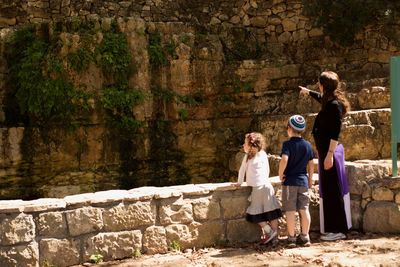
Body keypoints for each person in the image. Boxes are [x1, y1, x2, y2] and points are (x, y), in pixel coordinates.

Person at [299, 71, 352, 241]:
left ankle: (338, 230)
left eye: (319, 84)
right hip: (325, 153)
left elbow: (335, 132)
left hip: (329, 154)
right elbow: (321, 97)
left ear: (323, 85)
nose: (318, 87)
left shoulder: (334, 105)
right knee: (328, 190)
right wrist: (308, 92)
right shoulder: (328, 100)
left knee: (332, 191)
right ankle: (333, 229)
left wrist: (329, 155)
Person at [235, 132, 283, 245]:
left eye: (245, 143)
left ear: (251, 146)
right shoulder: (263, 154)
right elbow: (267, 169)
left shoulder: (247, 157)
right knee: (272, 211)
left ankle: (270, 232)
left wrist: (239, 182)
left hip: (258, 188)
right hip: (267, 186)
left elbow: (242, 171)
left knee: (255, 213)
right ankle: (274, 236)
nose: (243, 145)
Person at [279, 115, 314, 247]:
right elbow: (311, 164)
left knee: (290, 210)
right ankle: (305, 236)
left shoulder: (287, 144)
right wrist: (310, 179)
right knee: (304, 209)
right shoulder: (307, 145)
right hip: (303, 182)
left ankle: (292, 238)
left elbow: (284, 160)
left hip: (290, 183)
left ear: (289, 128)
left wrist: (280, 173)